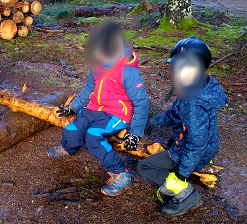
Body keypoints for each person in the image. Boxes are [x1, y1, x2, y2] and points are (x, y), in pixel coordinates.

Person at [48, 21, 150, 196]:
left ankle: (120, 174)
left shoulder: (129, 72)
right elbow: (88, 90)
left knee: (93, 136)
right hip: (94, 107)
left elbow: (142, 102)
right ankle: (69, 148)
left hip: (116, 113)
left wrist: (136, 133)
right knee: (73, 128)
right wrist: (72, 108)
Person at [137, 36, 227, 216]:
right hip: (208, 145)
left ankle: (186, 194)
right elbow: (175, 115)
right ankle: (182, 168)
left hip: (199, 150)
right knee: (172, 143)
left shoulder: (191, 102)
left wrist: (181, 175)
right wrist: (152, 125)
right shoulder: (203, 88)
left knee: (144, 167)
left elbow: (196, 143)